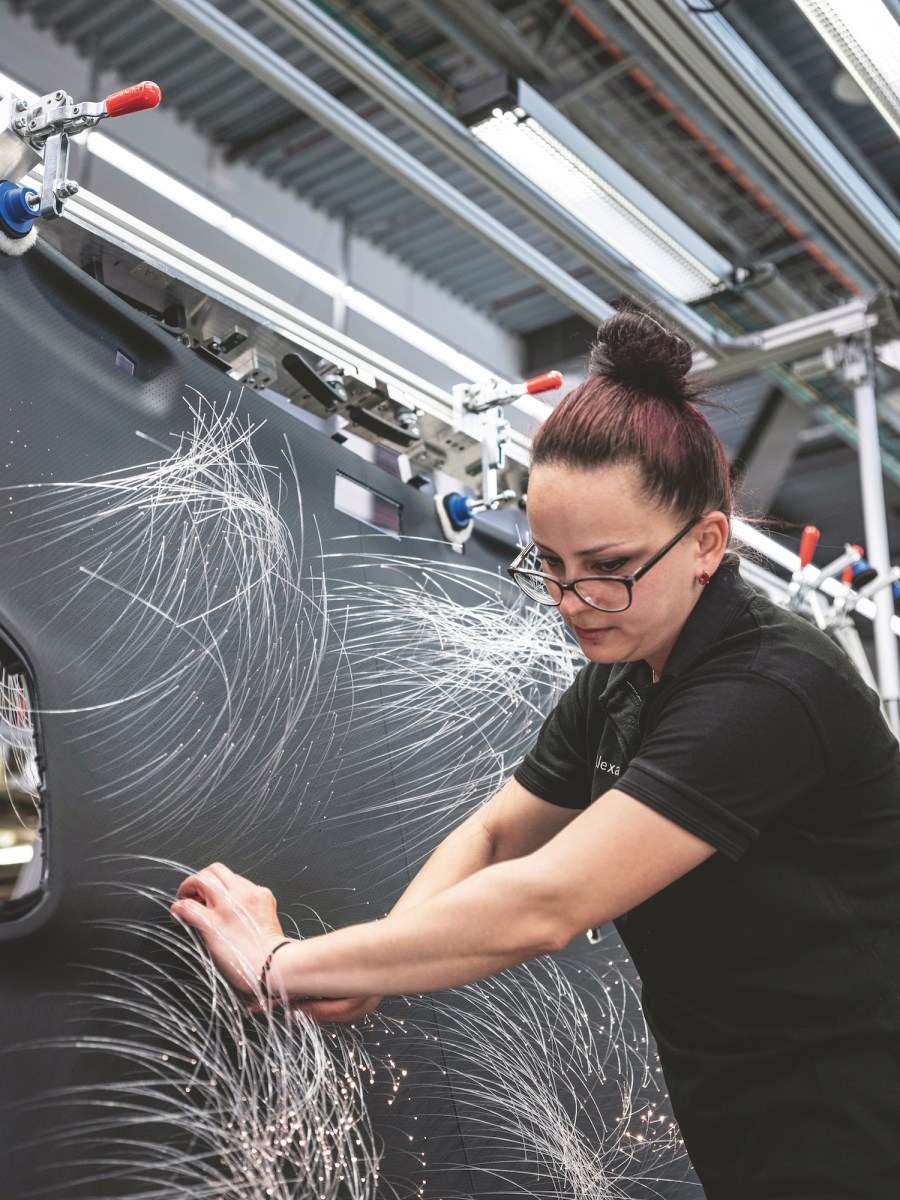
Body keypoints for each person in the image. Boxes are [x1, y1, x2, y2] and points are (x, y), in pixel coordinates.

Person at [173, 309, 900, 1200]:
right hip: (742, 1106)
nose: (572, 601)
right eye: (549, 564)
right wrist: (367, 971)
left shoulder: (771, 688)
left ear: (708, 544)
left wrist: (284, 963)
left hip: (858, 1108)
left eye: (608, 565)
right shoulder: (626, 673)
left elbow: (546, 902)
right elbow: (500, 837)